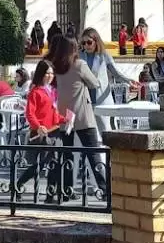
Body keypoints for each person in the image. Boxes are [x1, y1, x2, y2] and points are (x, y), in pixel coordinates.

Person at [49, 36, 108, 198]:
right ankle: (104, 188)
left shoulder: (57, 67)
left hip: (64, 116)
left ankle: (67, 190)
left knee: (68, 153)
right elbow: (94, 83)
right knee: (93, 152)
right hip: (82, 114)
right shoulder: (79, 65)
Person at [22, 59, 69, 199]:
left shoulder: (53, 91)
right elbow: (30, 113)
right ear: (41, 74)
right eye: (47, 73)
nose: (50, 76)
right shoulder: (35, 92)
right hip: (41, 133)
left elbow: (54, 114)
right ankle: (19, 184)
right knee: (40, 165)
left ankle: (50, 194)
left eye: (52, 73)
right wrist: (38, 126)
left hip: (54, 131)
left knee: (54, 163)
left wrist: (65, 119)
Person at [79, 28, 133, 96]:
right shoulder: (79, 56)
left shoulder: (104, 55)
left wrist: (129, 81)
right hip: (84, 98)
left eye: (89, 42)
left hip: (101, 96)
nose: (86, 45)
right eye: (83, 43)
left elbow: (117, 73)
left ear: (96, 41)